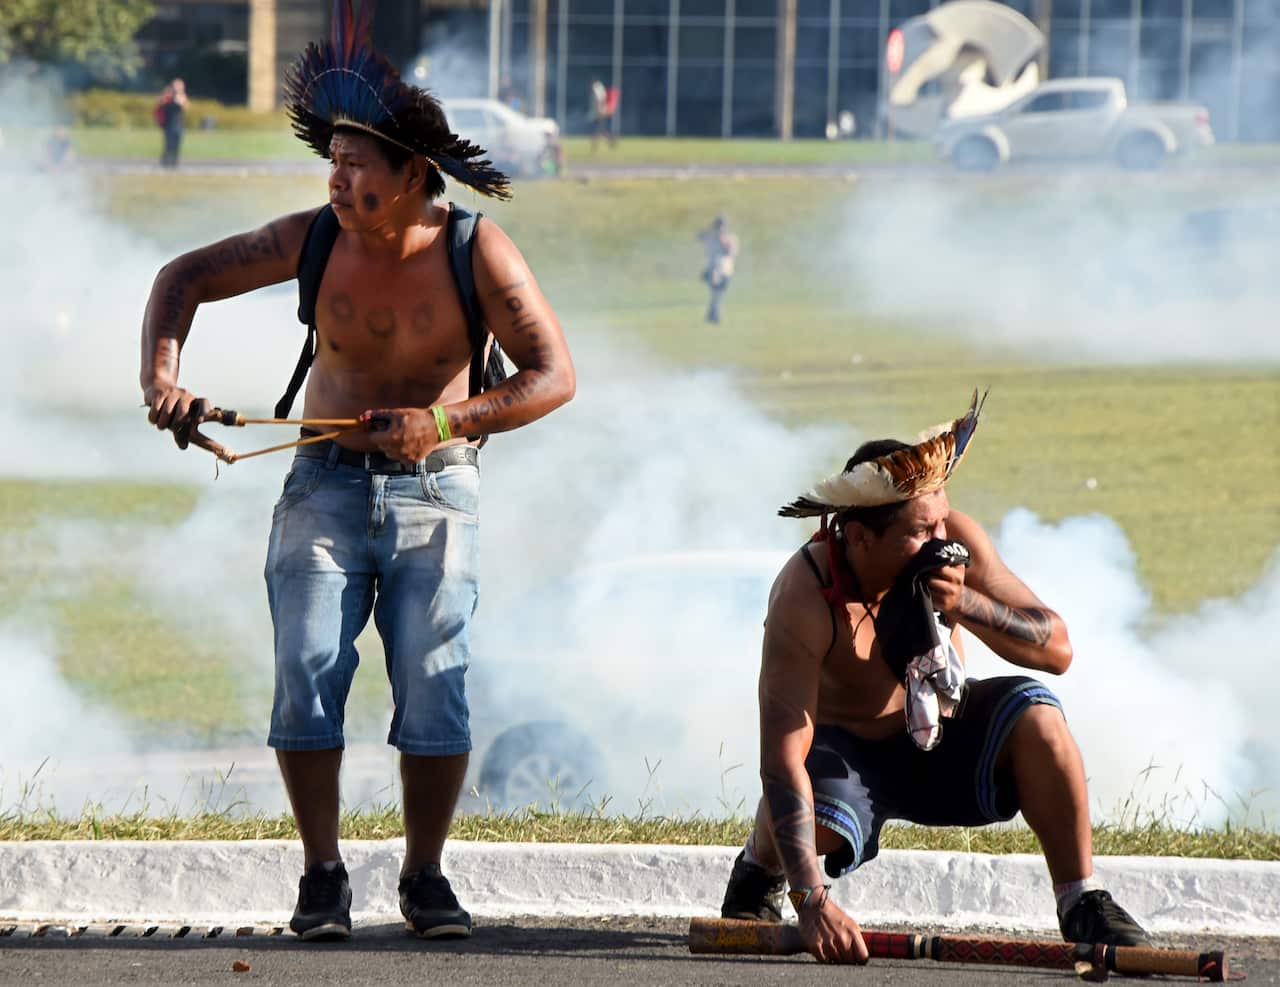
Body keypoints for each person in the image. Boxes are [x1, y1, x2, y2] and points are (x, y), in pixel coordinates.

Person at [138, 16, 575, 943]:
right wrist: (163, 383)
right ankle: (322, 875)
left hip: (438, 489)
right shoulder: (312, 241)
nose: (336, 182)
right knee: (305, 669)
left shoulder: (476, 250)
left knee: (434, 685)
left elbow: (553, 374)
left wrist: (444, 421)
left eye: (355, 166)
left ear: (415, 173)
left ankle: (424, 875)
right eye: (330, 163)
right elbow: (183, 278)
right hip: (321, 483)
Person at [719, 392, 1152, 964]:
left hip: (940, 740)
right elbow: (781, 757)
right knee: (811, 810)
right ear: (860, 537)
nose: (940, 538)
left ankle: (1081, 898)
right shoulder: (804, 594)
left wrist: (967, 604)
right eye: (920, 530)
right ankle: (761, 865)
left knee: (1039, 713)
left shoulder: (957, 546)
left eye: (942, 519)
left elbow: (1057, 649)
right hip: (847, 759)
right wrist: (812, 899)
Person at [696, 215, 738, 324]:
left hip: (725, 270)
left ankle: (711, 315)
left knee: (718, 294)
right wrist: (710, 230)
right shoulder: (710, 237)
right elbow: (699, 236)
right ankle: (714, 316)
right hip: (712, 269)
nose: (720, 229)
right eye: (718, 226)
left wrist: (723, 240)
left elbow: (730, 252)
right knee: (716, 293)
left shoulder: (731, 238)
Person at [155, 78, 188, 168]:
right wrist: (166, 95)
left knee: (176, 145)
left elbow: (185, 106)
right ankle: (166, 161)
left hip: (178, 124)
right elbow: (159, 102)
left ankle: (174, 161)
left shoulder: (181, 96)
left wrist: (178, 97)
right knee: (168, 144)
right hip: (169, 124)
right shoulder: (167, 96)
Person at [588, 78, 618, 151]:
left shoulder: (597, 89)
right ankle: (611, 141)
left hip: (600, 113)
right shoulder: (599, 89)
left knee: (597, 130)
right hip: (599, 112)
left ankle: (595, 146)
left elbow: (601, 101)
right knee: (601, 130)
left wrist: (600, 111)